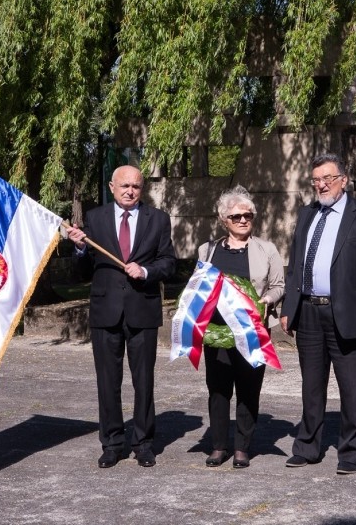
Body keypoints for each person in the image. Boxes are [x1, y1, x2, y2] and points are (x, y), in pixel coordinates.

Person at [280, 153, 356, 475]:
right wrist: (289, 308)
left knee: (352, 386)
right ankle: (307, 447)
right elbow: (295, 265)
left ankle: (353, 453)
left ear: (343, 179)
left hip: (347, 313)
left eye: (327, 178)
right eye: (316, 180)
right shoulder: (306, 215)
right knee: (311, 386)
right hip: (309, 314)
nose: (321, 185)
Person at [67, 165, 176, 469]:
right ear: (112, 186)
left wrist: (146, 271)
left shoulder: (159, 220)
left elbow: (169, 262)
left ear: (143, 189)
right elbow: (85, 266)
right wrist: (78, 247)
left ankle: (143, 444)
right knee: (107, 382)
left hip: (143, 309)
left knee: (143, 381)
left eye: (136, 187)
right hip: (106, 311)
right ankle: (112, 443)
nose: (130, 191)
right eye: (124, 186)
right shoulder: (95, 218)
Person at [197, 185, 285, 469]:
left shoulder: (267, 249)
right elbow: (199, 288)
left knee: (249, 389)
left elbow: (279, 285)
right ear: (224, 219)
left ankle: (242, 448)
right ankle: (218, 446)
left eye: (248, 215)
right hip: (217, 332)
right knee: (218, 390)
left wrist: (267, 299)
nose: (243, 220)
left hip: (252, 332)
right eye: (236, 216)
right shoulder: (206, 250)